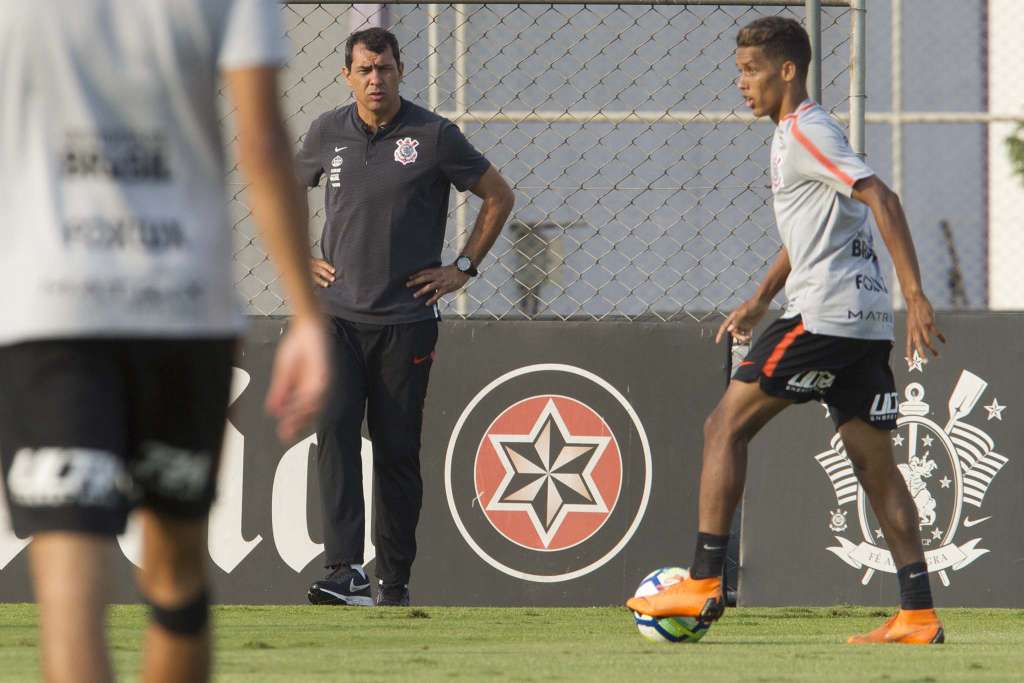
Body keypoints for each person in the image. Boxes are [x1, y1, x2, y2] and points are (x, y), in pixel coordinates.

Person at [0, 2, 330, 681]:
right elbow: (263, 140)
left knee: (71, 592)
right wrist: (306, 312)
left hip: (53, 305)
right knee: (177, 576)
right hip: (183, 306)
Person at [627, 17, 947, 645]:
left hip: (824, 317)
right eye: (739, 71)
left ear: (788, 70)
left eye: (751, 71)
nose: (741, 84)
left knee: (724, 425)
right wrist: (757, 299)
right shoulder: (793, 136)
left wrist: (917, 293)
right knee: (877, 469)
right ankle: (917, 613)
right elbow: (811, 231)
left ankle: (703, 580)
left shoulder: (806, 129)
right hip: (862, 324)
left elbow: (881, 195)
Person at [298, 28, 515, 607]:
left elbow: (499, 195)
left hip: (406, 321)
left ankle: (394, 582)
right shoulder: (326, 132)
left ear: (400, 72)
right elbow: (284, 186)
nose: (376, 80)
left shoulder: (434, 135)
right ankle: (344, 569)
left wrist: (464, 267)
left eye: (386, 69)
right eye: (365, 70)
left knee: (396, 448)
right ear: (347, 74)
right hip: (337, 318)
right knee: (336, 432)